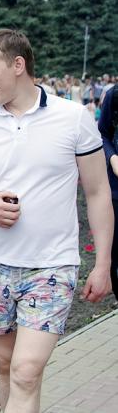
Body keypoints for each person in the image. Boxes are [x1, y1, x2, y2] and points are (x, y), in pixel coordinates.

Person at [0, 29, 113, 413]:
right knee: (7, 368)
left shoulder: (73, 118)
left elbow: (97, 192)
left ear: (18, 65)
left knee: (25, 370)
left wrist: (103, 264)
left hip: (51, 266)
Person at [97, 85, 118, 300]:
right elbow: (102, 134)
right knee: (112, 260)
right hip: (115, 192)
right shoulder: (114, 95)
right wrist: (112, 158)